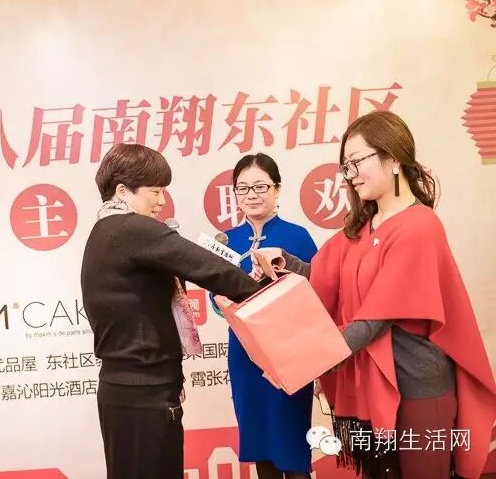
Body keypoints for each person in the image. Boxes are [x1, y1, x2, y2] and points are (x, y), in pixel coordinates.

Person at [252, 111, 496, 478]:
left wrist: (301, 361)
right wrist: (283, 261)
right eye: (345, 166)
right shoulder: (362, 228)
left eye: (357, 162)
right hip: (373, 384)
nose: (350, 174)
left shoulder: (419, 226)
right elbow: (324, 278)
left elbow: (372, 320)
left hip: (417, 388)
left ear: (393, 158)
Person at [81, 143, 268, 479]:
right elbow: (209, 268)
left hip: (123, 390)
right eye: (154, 191)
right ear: (122, 191)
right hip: (144, 392)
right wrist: (266, 295)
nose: (161, 201)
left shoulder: (104, 231)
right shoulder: (132, 228)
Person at [209, 153, 317, 479]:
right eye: (243, 188)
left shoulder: (298, 236)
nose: (252, 195)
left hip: (290, 353)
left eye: (260, 186)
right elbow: (215, 302)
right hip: (246, 355)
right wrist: (235, 291)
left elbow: (318, 291)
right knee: (260, 444)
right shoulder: (225, 240)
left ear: (277, 189)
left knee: (292, 443)